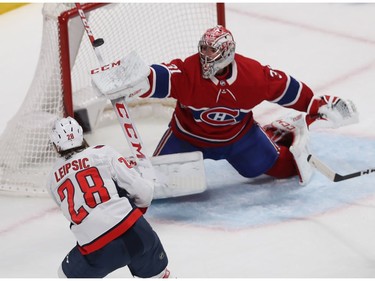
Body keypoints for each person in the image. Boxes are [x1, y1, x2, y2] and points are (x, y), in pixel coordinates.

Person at [92, 25, 358, 185]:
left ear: (227, 54)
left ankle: (277, 133)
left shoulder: (252, 76)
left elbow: (285, 88)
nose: (205, 57)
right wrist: (133, 80)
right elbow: (160, 77)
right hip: (187, 138)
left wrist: (315, 104)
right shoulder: (188, 72)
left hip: (240, 139)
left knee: (286, 169)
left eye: (212, 52)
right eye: (203, 50)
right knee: (157, 182)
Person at [47, 116, 170, 278]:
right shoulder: (102, 153)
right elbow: (144, 193)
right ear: (81, 135)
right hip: (137, 233)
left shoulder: (52, 179)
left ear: (56, 145)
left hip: (97, 249)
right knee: (158, 274)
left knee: (64, 275)